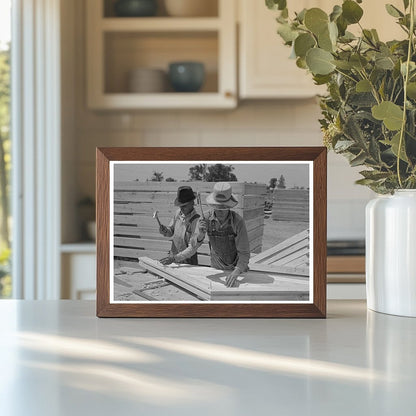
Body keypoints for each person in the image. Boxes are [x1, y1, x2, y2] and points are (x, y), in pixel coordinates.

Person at [197, 182, 250, 287]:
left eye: (224, 207)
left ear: (229, 205)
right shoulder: (205, 219)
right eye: (217, 206)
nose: (220, 210)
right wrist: (200, 235)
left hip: (236, 267)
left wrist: (237, 271)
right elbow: (193, 246)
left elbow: (244, 253)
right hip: (216, 267)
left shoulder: (237, 221)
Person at [158, 186, 203, 266]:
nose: (181, 208)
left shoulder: (196, 221)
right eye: (180, 205)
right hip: (173, 258)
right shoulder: (178, 213)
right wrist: (165, 230)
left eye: (184, 206)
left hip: (188, 263)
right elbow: (171, 232)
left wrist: (175, 258)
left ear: (192, 203)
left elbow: (192, 247)